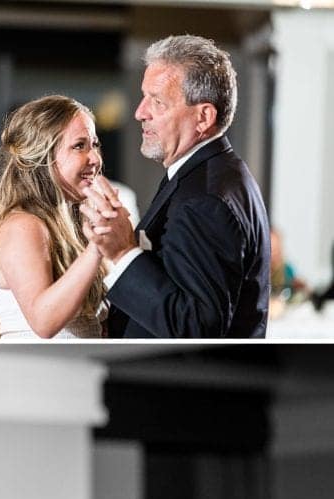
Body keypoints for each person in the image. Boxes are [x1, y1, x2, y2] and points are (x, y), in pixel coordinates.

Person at [81, 35, 269, 338]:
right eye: (144, 97)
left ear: (203, 116)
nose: (140, 112)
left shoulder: (205, 198)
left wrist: (122, 253)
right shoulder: (211, 174)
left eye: (157, 101)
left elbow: (196, 327)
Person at [0, 95, 106, 339]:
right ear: (43, 156)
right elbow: (44, 321)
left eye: (95, 144)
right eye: (79, 145)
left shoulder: (76, 226)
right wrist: (98, 247)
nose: (95, 159)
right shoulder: (22, 225)